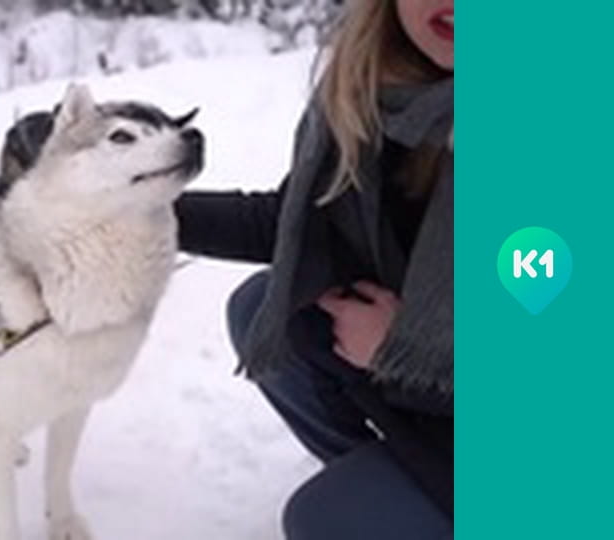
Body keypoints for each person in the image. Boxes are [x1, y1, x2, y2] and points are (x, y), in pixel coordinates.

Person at [174, 0, 454, 538]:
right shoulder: (378, 95)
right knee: (270, 308)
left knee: (327, 517)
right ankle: (409, 480)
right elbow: (296, 224)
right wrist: (142, 212)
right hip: (440, 403)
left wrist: (400, 351)